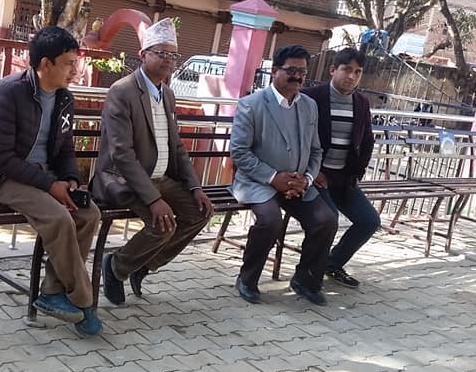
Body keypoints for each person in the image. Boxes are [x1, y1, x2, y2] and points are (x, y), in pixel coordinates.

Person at [0, 26, 102, 335]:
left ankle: (52, 291)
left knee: (89, 214)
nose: (75, 71)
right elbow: (0, 157)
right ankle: (84, 300)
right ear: (45, 64)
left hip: (41, 176)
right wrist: (50, 186)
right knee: (59, 218)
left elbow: (65, 149)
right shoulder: (9, 92)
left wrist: (70, 180)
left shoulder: (64, 99)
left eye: (76, 62)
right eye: (68, 63)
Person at [91, 18, 214, 305]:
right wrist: (153, 199)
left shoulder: (167, 94)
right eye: (161, 53)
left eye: (173, 54)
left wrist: (195, 187)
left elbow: (176, 147)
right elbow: (121, 153)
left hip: (160, 178)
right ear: (143, 54)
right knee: (163, 224)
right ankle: (116, 267)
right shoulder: (122, 91)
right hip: (123, 179)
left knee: (200, 213)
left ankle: (143, 265)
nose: (168, 59)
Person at [229, 44, 338, 306]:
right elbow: (239, 152)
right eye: (291, 70)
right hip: (258, 183)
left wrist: (307, 179)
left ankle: (305, 280)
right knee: (270, 221)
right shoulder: (251, 104)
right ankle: (247, 279)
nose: (297, 76)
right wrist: (273, 178)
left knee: (327, 220)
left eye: (302, 72)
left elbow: (316, 150)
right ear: (275, 71)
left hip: (298, 184)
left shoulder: (309, 106)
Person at [302, 47, 380, 288]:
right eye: (347, 70)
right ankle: (308, 274)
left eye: (358, 72)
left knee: (369, 221)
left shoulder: (361, 102)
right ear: (332, 70)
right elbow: (298, 139)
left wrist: (357, 173)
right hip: (315, 176)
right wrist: (313, 171)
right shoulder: (311, 97)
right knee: (329, 220)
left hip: (344, 178)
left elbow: (367, 140)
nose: (352, 76)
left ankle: (332, 264)